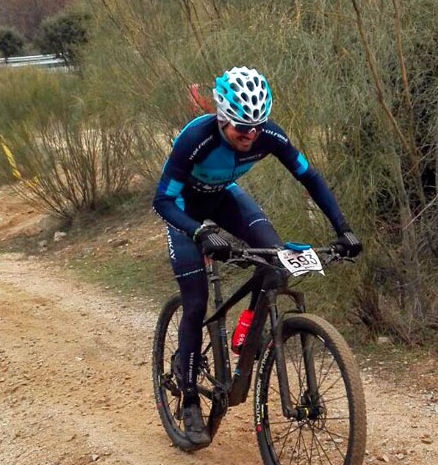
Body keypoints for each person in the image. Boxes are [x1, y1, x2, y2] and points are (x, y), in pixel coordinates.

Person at [152, 67, 362, 445]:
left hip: (224, 198)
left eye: (256, 127)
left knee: (276, 261)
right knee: (196, 303)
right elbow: (162, 200)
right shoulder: (195, 138)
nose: (249, 136)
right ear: (221, 118)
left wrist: (342, 229)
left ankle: (249, 333)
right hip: (185, 211)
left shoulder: (269, 134)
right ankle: (187, 399)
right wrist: (199, 231)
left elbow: (310, 177)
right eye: (240, 128)